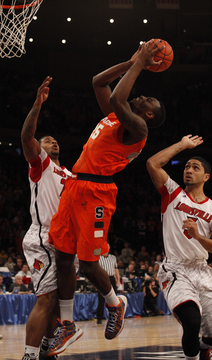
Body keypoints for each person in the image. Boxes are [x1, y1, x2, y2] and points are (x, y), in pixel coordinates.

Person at [48, 39, 166, 355]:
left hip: (97, 193)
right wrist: (131, 62)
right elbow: (99, 82)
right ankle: (68, 324)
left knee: (87, 264)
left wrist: (141, 62)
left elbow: (117, 95)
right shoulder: (116, 115)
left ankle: (115, 305)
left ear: (150, 115)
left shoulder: (138, 128)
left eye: (149, 99)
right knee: (62, 257)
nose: (144, 96)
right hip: (74, 186)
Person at [20, 77, 78, 360]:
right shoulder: (40, 164)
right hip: (43, 236)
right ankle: (30, 355)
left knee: (57, 302)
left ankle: (47, 350)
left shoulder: (70, 175)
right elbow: (26, 138)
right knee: (45, 300)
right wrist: (37, 105)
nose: (52, 142)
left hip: (67, 239)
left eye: (54, 140)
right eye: (46, 140)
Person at [146, 134, 212, 360]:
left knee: (210, 333)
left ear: (206, 176)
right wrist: (182, 145)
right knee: (192, 322)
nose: (189, 170)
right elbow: (152, 163)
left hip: (203, 270)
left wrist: (198, 237)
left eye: (195, 167)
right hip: (176, 270)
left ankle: (205, 347)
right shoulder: (173, 193)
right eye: (186, 166)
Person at [96, 250, 120, 324]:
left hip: (111, 278)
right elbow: (96, 270)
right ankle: (99, 318)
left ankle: (115, 316)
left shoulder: (113, 257)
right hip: (102, 278)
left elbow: (116, 269)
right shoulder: (99, 258)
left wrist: (118, 279)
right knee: (101, 299)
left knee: (114, 298)